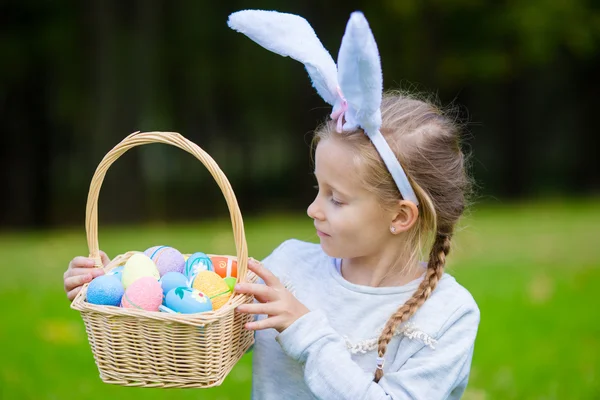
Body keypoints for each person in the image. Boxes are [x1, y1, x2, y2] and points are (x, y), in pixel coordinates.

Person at [64, 10, 480, 399]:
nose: (313, 210)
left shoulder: (447, 315)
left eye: (336, 199)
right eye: (318, 190)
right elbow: (195, 317)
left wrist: (306, 332)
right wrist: (113, 292)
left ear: (400, 215)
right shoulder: (287, 268)